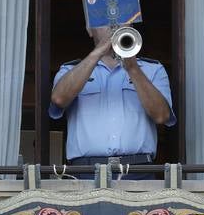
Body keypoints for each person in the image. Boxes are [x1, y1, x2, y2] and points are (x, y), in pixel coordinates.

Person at [48, 25, 175, 166]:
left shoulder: (153, 70)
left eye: (121, 21)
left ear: (131, 27)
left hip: (138, 170)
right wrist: (97, 53)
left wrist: (133, 69)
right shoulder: (70, 70)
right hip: (86, 171)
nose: (114, 27)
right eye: (105, 22)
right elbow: (59, 99)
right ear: (90, 30)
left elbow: (161, 116)